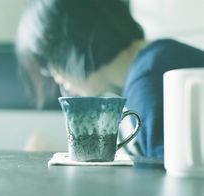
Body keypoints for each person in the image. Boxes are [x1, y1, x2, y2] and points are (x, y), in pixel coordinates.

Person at [16, 0, 204, 159]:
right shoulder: (150, 67)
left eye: (50, 66)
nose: (57, 78)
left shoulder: (149, 81)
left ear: (71, 44)